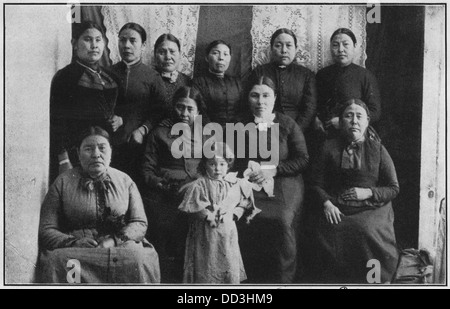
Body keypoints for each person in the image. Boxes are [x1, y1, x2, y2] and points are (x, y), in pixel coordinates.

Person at [38, 126, 160, 283]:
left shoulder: (125, 181)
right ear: (78, 153)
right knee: (57, 260)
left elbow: (139, 222)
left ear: (111, 151)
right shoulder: (63, 182)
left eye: (102, 148)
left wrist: (114, 240)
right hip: (78, 250)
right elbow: (47, 228)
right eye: (88, 149)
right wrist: (74, 242)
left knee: (139, 259)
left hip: (119, 246)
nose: (96, 154)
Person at [310, 99, 399, 283]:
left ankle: (372, 280)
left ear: (367, 121)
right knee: (332, 231)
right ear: (341, 121)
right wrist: (327, 203)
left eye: (359, 116)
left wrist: (368, 193)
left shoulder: (378, 149)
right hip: (338, 204)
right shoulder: (328, 147)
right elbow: (314, 183)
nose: (354, 121)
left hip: (373, 207)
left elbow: (393, 187)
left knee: (365, 230)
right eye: (348, 116)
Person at [237, 76, 309, 283]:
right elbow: (231, 159)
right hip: (250, 183)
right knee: (243, 216)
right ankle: (249, 279)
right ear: (248, 98)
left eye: (266, 95)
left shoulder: (287, 124)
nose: (260, 101)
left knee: (281, 219)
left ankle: (282, 279)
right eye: (255, 95)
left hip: (285, 182)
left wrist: (274, 170)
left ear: (275, 98)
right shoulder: (239, 124)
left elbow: (303, 160)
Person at [141, 86, 208, 282]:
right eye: (180, 107)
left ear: (198, 112)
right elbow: (146, 170)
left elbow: (215, 165)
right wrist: (161, 185)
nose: (184, 113)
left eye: (190, 109)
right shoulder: (159, 133)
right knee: (163, 232)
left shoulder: (207, 134)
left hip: (197, 192)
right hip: (164, 192)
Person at [50, 21, 122, 183]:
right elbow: (57, 121)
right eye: (88, 39)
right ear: (74, 44)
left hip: (107, 150)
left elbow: (121, 107)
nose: (94, 45)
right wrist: (63, 159)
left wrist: (120, 118)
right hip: (78, 152)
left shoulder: (110, 77)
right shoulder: (66, 77)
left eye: (98, 39)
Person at [178, 142, 260, 283]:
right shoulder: (200, 184)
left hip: (228, 231)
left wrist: (235, 213)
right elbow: (194, 206)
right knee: (208, 261)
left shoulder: (234, 183)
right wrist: (208, 216)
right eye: (212, 164)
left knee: (227, 259)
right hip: (206, 232)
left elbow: (244, 202)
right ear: (205, 165)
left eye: (222, 164)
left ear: (228, 165)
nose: (217, 169)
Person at [111, 22, 157, 184]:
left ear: (143, 45)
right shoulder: (107, 73)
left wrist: (143, 130)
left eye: (132, 40)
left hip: (139, 143)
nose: (126, 45)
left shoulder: (152, 77)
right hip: (112, 139)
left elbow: (159, 112)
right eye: (122, 40)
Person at [315, 28, 381, 139]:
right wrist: (315, 120)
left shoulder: (365, 76)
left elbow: (375, 112)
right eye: (335, 45)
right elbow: (314, 104)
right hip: (324, 133)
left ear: (355, 47)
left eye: (346, 44)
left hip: (353, 135)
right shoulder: (322, 75)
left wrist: (343, 122)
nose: (340, 50)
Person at [249, 28, 317, 132]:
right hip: (266, 129)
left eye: (289, 45)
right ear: (271, 48)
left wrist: (295, 132)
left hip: (298, 130)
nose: (284, 50)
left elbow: (309, 108)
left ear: (296, 48)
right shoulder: (259, 72)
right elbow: (251, 105)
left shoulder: (306, 75)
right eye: (278, 45)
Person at [193, 40, 244, 127]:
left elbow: (243, 110)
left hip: (235, 132)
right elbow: (199, 112)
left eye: (225, 54)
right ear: (206, 57)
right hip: (209, 132)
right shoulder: (198, 83)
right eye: (216, 53)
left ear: (230, 58)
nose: (221, 58)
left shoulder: (237, 83)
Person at [149, 34, 193, 127]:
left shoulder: (187, 81)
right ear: (155, 55)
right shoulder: (148, 79)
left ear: (180, 54)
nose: (168, 57)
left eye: (172, 52)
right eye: (162, 52)